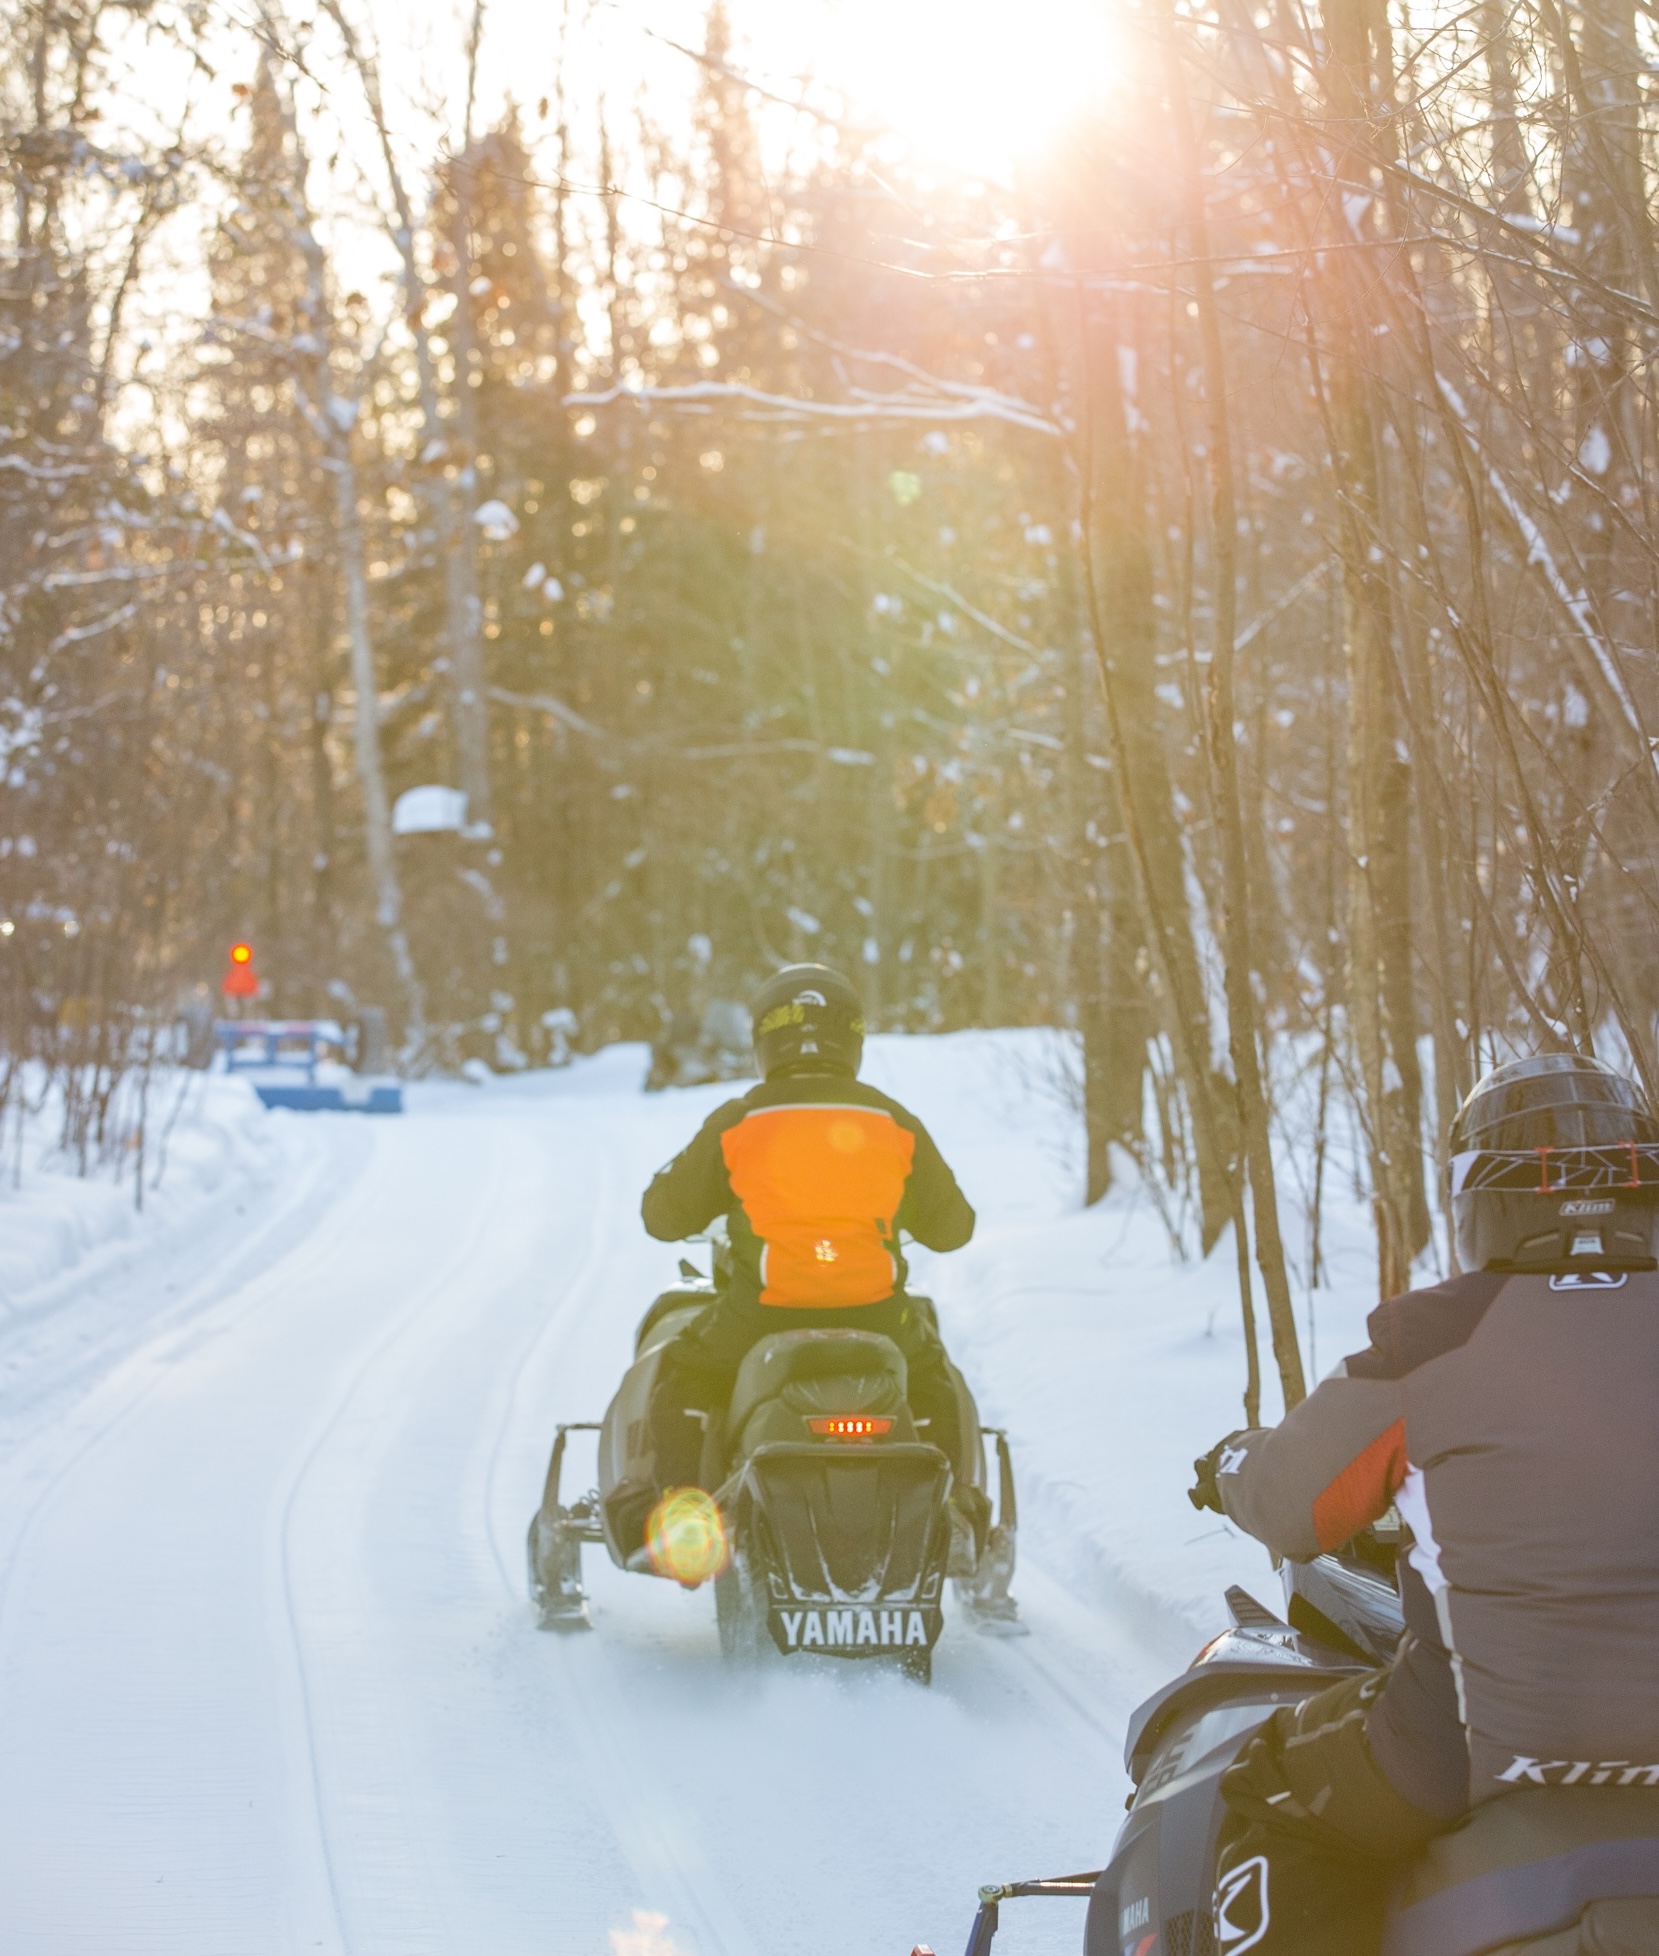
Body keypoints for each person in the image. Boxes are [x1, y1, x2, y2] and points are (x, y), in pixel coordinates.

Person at [1188, 1053, 1659, 1955]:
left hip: (1472, 1748)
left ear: (1482, 1196)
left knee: (1269, 1793)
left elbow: (1293, 1510)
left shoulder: (1432, 1338)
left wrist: (1234, 1464)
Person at [641, 962, 976, 1494]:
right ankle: (958, 1509)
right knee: (936, 1385)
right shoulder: (893, 1121)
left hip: (762, 1310)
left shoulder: (740, 1119)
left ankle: (679, 1518)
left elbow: (664, 1218)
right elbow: (953, 1229)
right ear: (854, 1039)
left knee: (685, 1372)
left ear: (764, 1040)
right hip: (880, 1311)